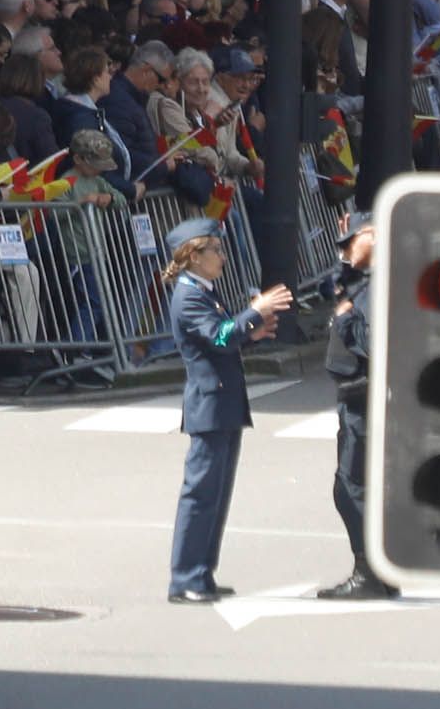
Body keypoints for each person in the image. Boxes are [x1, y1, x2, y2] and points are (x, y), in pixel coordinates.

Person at [160, 219, 291, 603]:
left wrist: (251, 333)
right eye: (215, 249)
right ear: (193, 256)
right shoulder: (188, 297)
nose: (222, 256)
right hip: (209, 403)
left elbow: (222, 338)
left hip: (223, 403)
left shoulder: (203, 291)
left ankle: (202, 573)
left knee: (216, 495)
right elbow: (217, 336)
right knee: (200, 494)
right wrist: (254, 312)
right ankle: (185, 577)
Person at [313, 208, 392, 599]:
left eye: (352, 241)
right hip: (359, 396)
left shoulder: (378, 286)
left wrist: (344, 319)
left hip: (366, 397)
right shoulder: (367, 278)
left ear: (375, 236)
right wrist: (346, 258)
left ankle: (369, 574)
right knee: (361, 486)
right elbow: (335, 283)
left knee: (350, 488)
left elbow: (375, 343)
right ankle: (382, 569)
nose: (344, 250)